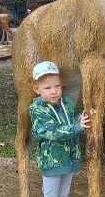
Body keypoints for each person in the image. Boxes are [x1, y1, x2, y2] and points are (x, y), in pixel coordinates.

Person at [28, 61, 90, 197]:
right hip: (52, 161)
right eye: (47, 88)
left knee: (64, 193)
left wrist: (80, 120)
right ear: (36, 89)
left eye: (57, 86)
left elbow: (71, 122)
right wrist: (77, 128)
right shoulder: (37, 109)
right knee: (51, 194)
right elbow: (52, 132)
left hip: (69, 158)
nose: (54, 91)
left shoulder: (66, 102)